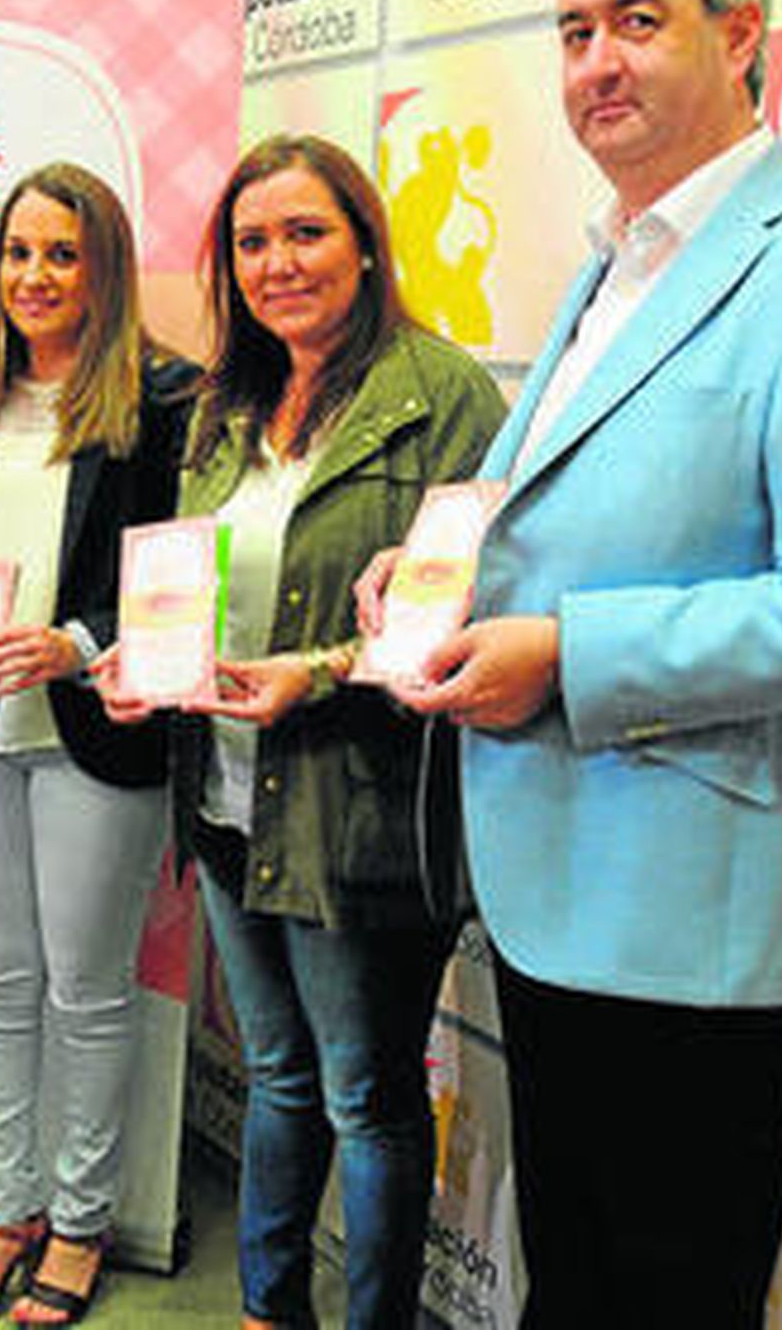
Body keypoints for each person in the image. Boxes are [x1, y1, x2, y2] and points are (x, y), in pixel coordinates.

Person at [357, 0, 782, 1324]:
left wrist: (569, 653)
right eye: (574, 31)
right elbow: (589, 518)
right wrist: (437, 578)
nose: (596, 63)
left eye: (638, 21)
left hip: (694, 926)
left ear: (741, 34)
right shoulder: (611, 263)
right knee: (574, 1287)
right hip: (551, 889)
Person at [97, 134, 506, 1329]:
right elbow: (196, 592)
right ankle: (270, 1307)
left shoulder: (443, 397)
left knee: (367, 1097)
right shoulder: (223, 406)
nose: (277, 262)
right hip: (227, 799)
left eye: (305, 232)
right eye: (252, 241)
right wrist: (145, 664)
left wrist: (318, 674)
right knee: (278, 1072)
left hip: (357, 811)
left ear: (366, 245)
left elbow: (459, 611)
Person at [0, 162, 196, 1327]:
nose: (33, 275)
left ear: (103, 266)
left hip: (91, 740)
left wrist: (78, 643)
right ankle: (5, 1210)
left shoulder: (161, 399)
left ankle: (78, 1224)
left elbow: (178, 585)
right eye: (17, 252)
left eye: (61, 253)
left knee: (86, 989)